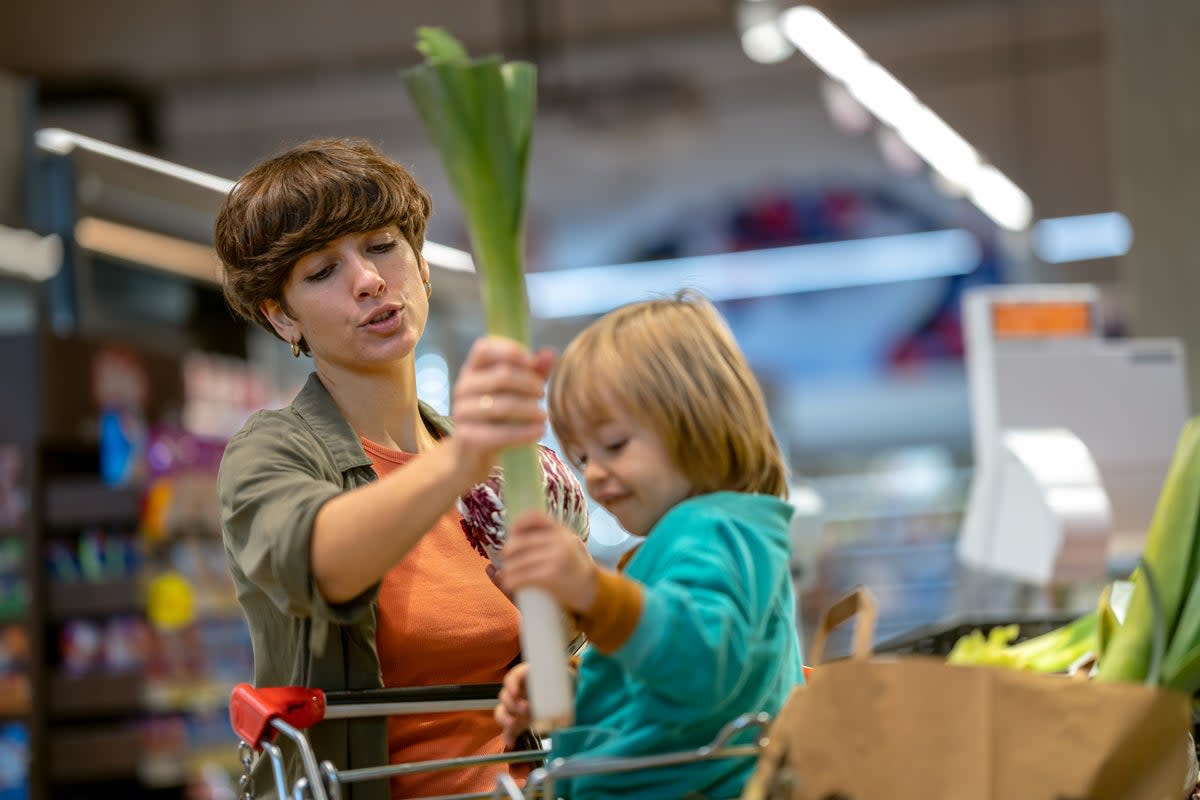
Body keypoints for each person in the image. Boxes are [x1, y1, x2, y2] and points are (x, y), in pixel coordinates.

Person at [213, 137, 587, 800]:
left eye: (383, 245)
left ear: (422, 263)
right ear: (280, 317)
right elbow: (319, 562)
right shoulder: (271, 453)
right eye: (322, 271)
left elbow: (563, 667)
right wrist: (460, 461)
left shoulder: (510, 476)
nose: (368, 280)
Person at [494, 290, 805, 799]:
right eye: (580, 456)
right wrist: (575, 687)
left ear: (700, 418)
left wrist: (593, 592)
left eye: (614, 445)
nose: (593, 474)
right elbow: (659, 687)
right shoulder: (691, 535)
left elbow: (701, 663)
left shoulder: (715, 531)